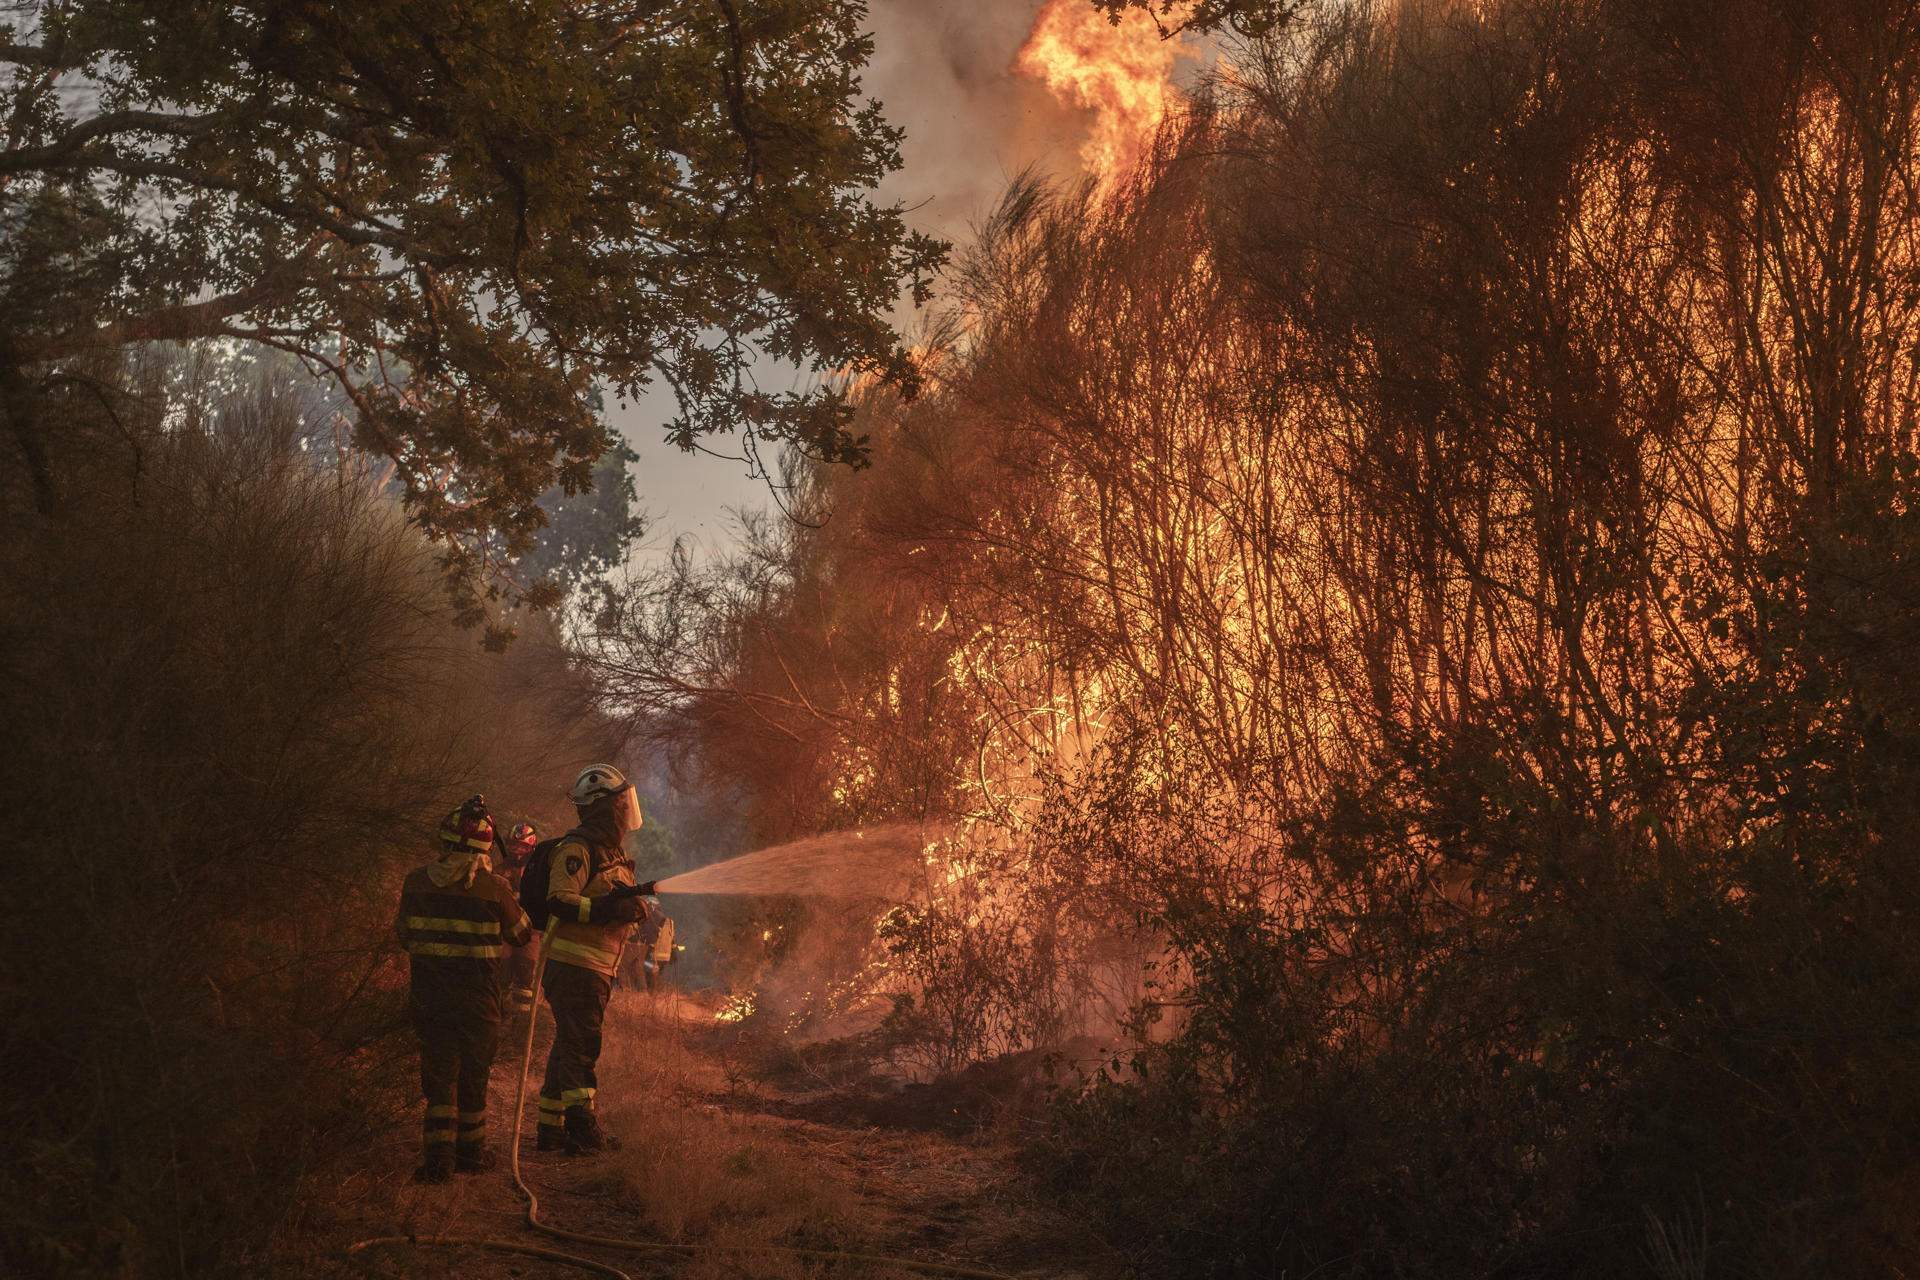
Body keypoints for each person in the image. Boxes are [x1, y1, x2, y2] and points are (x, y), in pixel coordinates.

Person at [395, 796, 532, 1183]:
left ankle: (438, 1158)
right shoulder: (494, 889)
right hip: (479, 1002)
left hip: (430, 998)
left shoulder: (416, 882)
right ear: (486, 848)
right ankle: (471, 1153)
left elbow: (404, 935)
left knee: (439, 1076)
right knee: (474, 1074)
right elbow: (522, 935)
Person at [536, 764, 656, 1154]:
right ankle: (582, 1130)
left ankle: (550, 1130)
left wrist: (631, 906)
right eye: (621, 804)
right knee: (581, 1046)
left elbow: (608, 897)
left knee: (569, 1045)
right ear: (603, 808)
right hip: (575, 968)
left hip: (593, 968)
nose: (626, 811)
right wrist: (610, 910)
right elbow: (559, 900)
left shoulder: (611, 853)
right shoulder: (577, 849)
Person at [497, 821, 540, 1015]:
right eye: (513, 845)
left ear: (531, 847)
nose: (517, 850)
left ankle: (520, 1024)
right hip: (502, 932)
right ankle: (500, 1017)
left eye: (522, 846)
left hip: (530, 933)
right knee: (501, 975)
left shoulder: (538, 873)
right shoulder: (497, 871)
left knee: (525, 977)